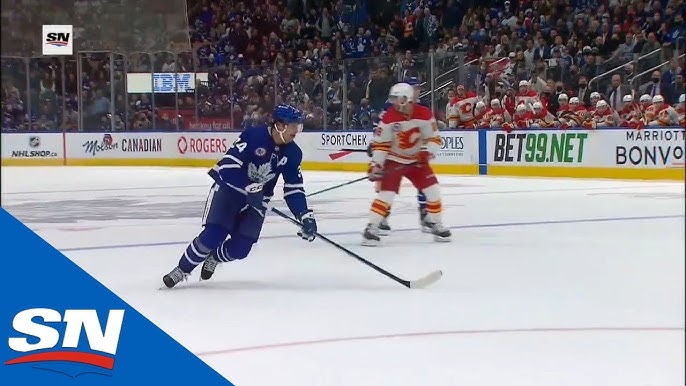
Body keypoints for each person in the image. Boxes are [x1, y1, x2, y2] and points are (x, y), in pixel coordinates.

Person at [162, 105, 317, 288]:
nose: (297, 130)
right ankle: (182, 269)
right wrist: (248, 187)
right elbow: (228, 166)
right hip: (229, 193)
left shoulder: (293, 153)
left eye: (298, 126)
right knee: (213, 236)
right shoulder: (254, 136)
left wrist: (304, 215)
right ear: (280, 126)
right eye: (294, 126)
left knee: (241, 249)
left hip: (257, 201)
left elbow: (294, 189)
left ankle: (215, 257)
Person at [363, 82, 451, 246]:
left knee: (433, 191)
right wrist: (376, 165)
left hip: (418, 161)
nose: (394, 103)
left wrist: (427, 152)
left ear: (407, 99)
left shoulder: (424, 114)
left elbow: (434, 139)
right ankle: (371, 228)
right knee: (386, 195)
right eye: (393, 99)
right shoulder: (389, 117)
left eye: (397, 99)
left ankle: (437, 224)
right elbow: (381, 145)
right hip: (394, 160)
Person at [372, 76, 432, 235]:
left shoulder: (422, 107)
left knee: (425, 182)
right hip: (392, 152)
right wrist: (375, 144)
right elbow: (380, 128)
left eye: (418, 87)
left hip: (414, 152)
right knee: (386, 184)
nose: (417, 90)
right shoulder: (391, 106)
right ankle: (382, 216)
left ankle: (425, 213)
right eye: (414, 87)